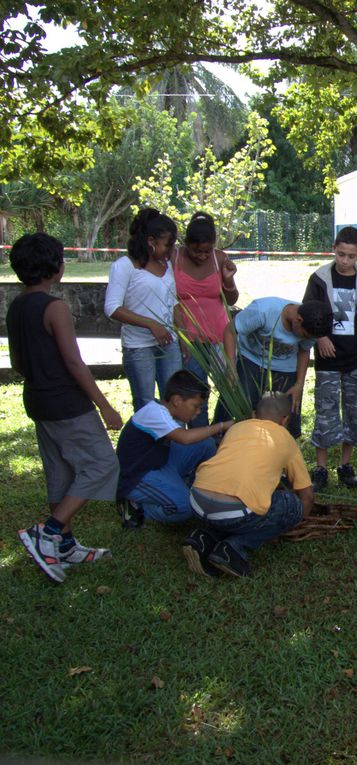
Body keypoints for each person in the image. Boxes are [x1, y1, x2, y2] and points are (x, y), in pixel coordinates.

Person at [10, 233, 123, 584]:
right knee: (103, 464)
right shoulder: (55, 307)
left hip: (37, 399)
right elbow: (75, 363)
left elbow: (16, 362)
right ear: (56, 268)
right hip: (66, 402)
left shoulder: (16, 306)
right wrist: (105, 407)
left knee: (60, 471)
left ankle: (65, 545)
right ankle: (49, 532)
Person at [184, 392, 313, 578]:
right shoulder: (286, 440)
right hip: (234, 512)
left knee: (230, 509)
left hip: (197, 500)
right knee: (289, 504)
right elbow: (307, 496)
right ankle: (232, 549)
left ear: (253, 414)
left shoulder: (236, 428)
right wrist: (298, 518)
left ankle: (203, 537)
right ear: (285, 420)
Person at [303, 227, 357, 492]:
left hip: (356, 359)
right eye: (341, 255)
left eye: (351, 256)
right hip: (328, 359)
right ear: (334, 249)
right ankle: (320, 468)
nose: (345, 261)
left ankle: (346, 465)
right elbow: (307, 312)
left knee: (354, 411)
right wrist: (320, 337)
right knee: (325, 413)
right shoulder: (318, 279)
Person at [116, 370, 233, 528]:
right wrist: (222, 425)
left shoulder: (162, 411)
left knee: (205, 444)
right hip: (137, 477)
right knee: (187, 507)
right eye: (195, 406)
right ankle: (138, 508)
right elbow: (185, 438)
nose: (198, 411)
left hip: (159, 463)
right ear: (177, 400)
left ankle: (198, 488)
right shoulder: (154, 413)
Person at [105, 208, 182, 411]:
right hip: (139, 346)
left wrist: (182, 338)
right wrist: (151, 324)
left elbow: (173, 303)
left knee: (175, 402)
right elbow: (112, 307)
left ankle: (173, 442)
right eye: (168, 244)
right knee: (145, 405)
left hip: (169, 343)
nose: (171, 250)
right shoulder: (125, 265)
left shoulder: (167, 266)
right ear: (151, 241)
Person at [232, 296, 333, 440]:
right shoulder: (263, 311)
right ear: (298, 320)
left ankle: (280, 449)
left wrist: (299, 384)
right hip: (251, 359)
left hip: (285, 368)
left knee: (286, 416)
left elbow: (304, 351)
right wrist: (231, 367)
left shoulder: (312, 327)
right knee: (243, 411)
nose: (305, 338)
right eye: (304, 335)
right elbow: (230, 330)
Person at [173, 211, 240, 427]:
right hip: (190, 341)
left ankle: (222, 431)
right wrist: (181, 337)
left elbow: (231, 299)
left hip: (220, 337)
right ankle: (199, 437)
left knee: (230, 387)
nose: (202, 255)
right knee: (195, 392)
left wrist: (228, 281)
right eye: (196, 250)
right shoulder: (174, 257)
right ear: (186, 243)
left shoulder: (219, 258)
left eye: (206, 250)